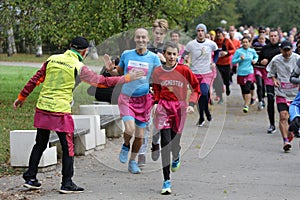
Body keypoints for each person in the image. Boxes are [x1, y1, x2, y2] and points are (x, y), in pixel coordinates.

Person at [13, 36, 143, 193]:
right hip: (60, 110)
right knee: (68, 147)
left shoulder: (52, 59)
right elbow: (101, 82)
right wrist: (127, 78)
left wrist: (21, 97)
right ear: (85, 51)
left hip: (43, 107)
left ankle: (30, 178)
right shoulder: (78, 65)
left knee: (40, 142)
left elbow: (35, 79)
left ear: (69, 46)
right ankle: (66, 183)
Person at [105, 28, 161, 174]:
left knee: (140, 136)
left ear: (148, 39)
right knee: (129, 129)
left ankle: (132, 161)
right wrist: (111, 70)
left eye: (143, 37)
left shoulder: (154, 58)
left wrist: (157, 97)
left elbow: (159, 79)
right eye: (138, 37)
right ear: (134, 39)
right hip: (127, 98)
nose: (141, 40)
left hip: (144, 100)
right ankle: (125, 145)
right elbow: (118, 71)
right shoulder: (127, 54)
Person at [152, 41, 200, 194]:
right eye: (169, 54)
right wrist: (155, 102)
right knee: (165, 142)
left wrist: (192, 103)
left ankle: (177, 153)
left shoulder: (184, 70)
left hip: (179, 108)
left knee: (174, 142)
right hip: (164, 108)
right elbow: (156, 89)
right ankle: (166, 181)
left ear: (178, 55)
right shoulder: (158, 71)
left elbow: (196, 88)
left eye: (174, 54)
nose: (172, 57)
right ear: (164, 55)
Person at [138, 19, 169, 167]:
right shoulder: (146, 48)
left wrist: (165, 62)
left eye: (161, 33)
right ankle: (142, 153)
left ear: (165, 34)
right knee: (145, 123)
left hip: (163, 90)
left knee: (158, 123)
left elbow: (176, 70)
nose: (158, 36)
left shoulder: (169, 48)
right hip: (146, 89)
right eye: (156, 33)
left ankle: (155, 142)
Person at [182, 23, 218, 126]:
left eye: (202, 31)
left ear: (205, 32)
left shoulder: (210, 43)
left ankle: (205, 112)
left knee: (204, 93)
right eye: (198, 31)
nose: (200, 33)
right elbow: (184, 54)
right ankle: (202, 116)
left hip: (206, 73)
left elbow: (217, 52)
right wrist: (185, 60)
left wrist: (214, 62)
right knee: (198, 95)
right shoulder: (191, 44)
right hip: (194, 74)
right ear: (196, 32)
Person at [267, 40, 300, 151]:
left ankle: (290, 132)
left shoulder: (297, 59)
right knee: (283, 116)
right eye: (284, 50)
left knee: (293, 119)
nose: (286, 53)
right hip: (281, 92)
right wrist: (274, 80)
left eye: (288, 50)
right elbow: (270, 72)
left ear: (292, 49)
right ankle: (285, 141)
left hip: (295, 93)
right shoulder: (276, 60)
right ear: (281, 50)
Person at [257, 29, 281, 133]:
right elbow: (259, 60)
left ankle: (287, 121)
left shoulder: (282, 48)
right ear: (269, 37)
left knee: (284, 101)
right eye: (271, 36)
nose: (273, 38)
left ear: (278, 37)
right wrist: (262, 62)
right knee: (270, 99)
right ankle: (272, 124)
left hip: (282, 77)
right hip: (269, 77)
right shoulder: (265, 49)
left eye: (275, 36)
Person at [232, 36, 258, 113]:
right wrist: (240, 59)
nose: (245, 43)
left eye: (247, 42)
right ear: (242, 43)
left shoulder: (252, 51)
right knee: (243, 90)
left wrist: (255, 60)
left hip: (249, 72)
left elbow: (256, 57)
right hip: (241, 73)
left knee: (247, 88)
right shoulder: (238, 51)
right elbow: (233, 62)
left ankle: (246, 105)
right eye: (244, 42)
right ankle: (247, 101)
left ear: (250, 43)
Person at [213, 27, 236, 104]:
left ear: (222, 33)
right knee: (218, 81)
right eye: (217, 33)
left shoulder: (227, 41)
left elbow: (233, 50)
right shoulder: (214, 42)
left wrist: (227, 53)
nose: (218, 34)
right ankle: (220, 97)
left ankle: (228, 87)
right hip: (218, 64)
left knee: (226, 80)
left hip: (226, 64)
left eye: (220, 33)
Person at [252, 33, 267, 110]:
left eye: (263, 39)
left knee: (264, 85)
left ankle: (263, 98)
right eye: (260, 39)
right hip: (257, 68)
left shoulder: (267, 47)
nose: (261, 40)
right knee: (259, 84)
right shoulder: (255, 47)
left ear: (265, 39)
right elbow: (252, 55)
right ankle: (260, 100)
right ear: (258, 39)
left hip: (265, 69)